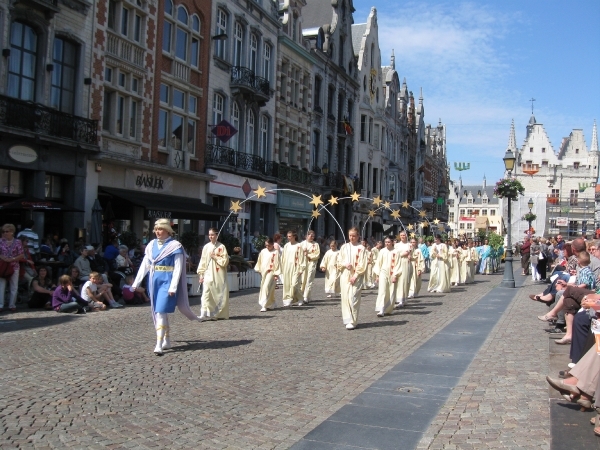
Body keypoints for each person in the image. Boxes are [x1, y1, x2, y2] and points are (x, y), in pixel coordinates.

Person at [132, 219, 200, 355]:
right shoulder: (151, 245)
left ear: (168, 231)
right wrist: (136, 283)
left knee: (161, 311)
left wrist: (173, 286)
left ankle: (159, 344)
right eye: (156, 229)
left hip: (167, 281)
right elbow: (146, 264)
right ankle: (167, 340)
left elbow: (178, 268)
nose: (157, 232)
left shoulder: (175, 246)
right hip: (154, 280)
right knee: (159, 311)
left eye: (160, 229)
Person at [338, 227, 368, 329]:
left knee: (353, 297)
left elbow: (362, 264)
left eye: (354, 236)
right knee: (346, 297)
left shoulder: (361, 248)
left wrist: (355, 275)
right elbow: (339, 261)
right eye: (350, 235)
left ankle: (353, 320)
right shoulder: (344, 247)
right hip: (345, 275)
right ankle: (347, 319)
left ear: (358, 236)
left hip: (356, 276)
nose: (352, 238)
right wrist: (345, 264)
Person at [197, 227, 230, 320]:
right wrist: (201, 274)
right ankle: (203, 313)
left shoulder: (221, 247)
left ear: (217, 235)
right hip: (208, 274)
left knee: (218, 294)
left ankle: (218, 313)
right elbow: (203, 261)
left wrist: (214, 257)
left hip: (218, 275)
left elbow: (225, 262)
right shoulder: (206, 247)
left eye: (212, 234)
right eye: (209, 235)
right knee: (206, 293)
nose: (210, 236)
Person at [0, 224, 24, 312]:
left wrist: (12, 259)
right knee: (1, 285)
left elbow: (21, 254)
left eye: (7, 231)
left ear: (12, 232)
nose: (5, 233)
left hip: (14, 266)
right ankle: (0, 305)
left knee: (14, 286)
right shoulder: (1, 241)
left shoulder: (18, 242)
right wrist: (3, 258)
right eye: (4, 232)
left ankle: (12, 304)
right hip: (3, 266)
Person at [373, 236, 400, 317]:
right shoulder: (382, 251)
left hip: (392, 273)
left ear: (392, 242)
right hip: (383, 272)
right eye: (386, 242)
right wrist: (377, 275)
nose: (387, 244)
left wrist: (395, 275)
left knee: (391, 291)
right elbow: (378, 263)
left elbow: (398, 264)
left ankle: (389, 308)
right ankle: (381, 309)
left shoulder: (396, 252)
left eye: (388, 242)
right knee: (382, 290)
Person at [280, 230, 306, 307]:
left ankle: (300, 298)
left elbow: (302, 258)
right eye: (287, 236)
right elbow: (283, 257)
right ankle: (288, 299)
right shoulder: (286, 246)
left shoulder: (299, 246)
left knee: (295, 284)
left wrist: (301, 268)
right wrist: (282, 267)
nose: (288, 238)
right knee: (287, 284)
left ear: (294, 236)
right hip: (287, 267)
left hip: (296, 267)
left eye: (290, 236)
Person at [254, 238, 280, 311]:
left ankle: (264, 304)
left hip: (271, 271)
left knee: (266, 286)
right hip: (264, 272)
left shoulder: (276, 252)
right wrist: (258, 270)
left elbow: (277, 263)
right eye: (266, 245)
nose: (267, 247)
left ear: (272, 245)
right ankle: (272, 301)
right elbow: (259, 261)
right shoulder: (263, 251)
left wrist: (276, 274)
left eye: (268, 245)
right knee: (267, 287)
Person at [300, 230, 320, 305]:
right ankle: (302, 295)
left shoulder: (316, 244)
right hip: (303, 264)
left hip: (312, 263)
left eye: (313, 236)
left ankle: (306, 296)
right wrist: (303, 251)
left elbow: (317, 255)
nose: (312, 237)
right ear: (307, 236)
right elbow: (298, 254)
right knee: (303, 279)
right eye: (311, 235)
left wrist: (308, 255)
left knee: (309, 279)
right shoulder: (302, 244)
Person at [394, 231, 413, 307]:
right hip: (398, 263)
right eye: (401, 235)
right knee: (398, 281)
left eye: (404, 235)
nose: (402, 236)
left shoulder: (409, 245)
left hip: (406, 263)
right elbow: (395, 254)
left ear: (406, 236)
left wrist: (409, 255)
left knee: (405, 281)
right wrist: (403, 254)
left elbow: (411, 254)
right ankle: (398, 299)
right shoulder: (396, 245)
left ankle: (403, 299)